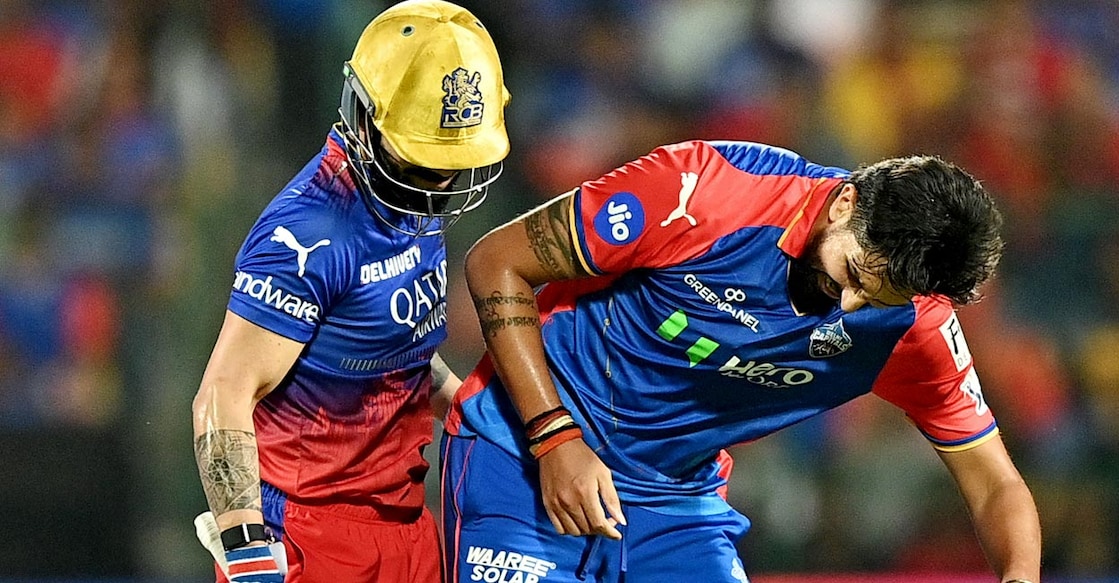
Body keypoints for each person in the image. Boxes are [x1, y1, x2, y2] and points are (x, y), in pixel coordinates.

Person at [441, 140, 1042, 583]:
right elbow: (497, 260)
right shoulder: (705, 189)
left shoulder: (914, 327)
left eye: (879, 299)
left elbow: (995, 484)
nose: (850, 306)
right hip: (523, 455)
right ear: (844, 205)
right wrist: (554, 438)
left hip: (673, 504)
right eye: (853, 275)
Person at [190, 1, 510, 581]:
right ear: (364, 118)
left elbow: (390, 349)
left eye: (449, 163)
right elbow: (224, 392)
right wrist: (244, 546)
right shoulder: (308, 231)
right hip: (310, 536)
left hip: (409, 525)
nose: (438, 186)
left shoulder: (410, 201)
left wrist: (475, 412)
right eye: (420, 161)